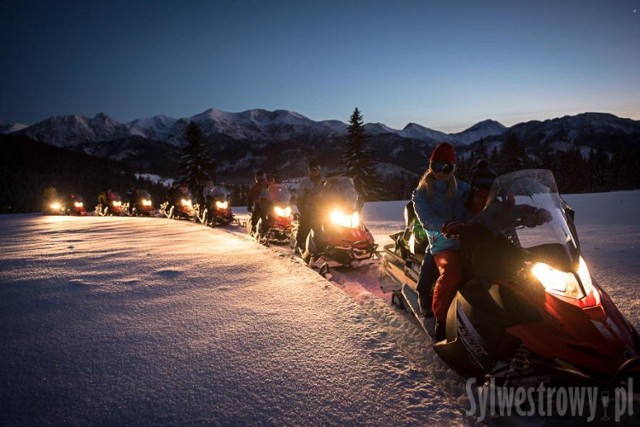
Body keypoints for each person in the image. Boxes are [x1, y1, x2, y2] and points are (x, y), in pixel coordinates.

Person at [412, 142, 471, 341]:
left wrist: (515, 209)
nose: (441, 172)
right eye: (437, 166)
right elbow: (426, 218)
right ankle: (442, 321)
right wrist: (445, 225)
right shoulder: (421, 193)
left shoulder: (462, 189)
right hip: (441, 243)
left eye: (447, 168)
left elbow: (483, 202)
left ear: (453, 168)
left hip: (468, 242)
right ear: (431, 166)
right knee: (450, 274)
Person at [295, 161, 325, 251]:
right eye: (312, 169)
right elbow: (299, 196)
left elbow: (332, 191)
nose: (314, 171)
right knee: (305, 223)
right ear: (309, 171)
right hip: (309, 209)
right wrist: (302, 209)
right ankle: (300, 242)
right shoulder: (305, 182)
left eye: (316, 169)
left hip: (325, 209)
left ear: (319, 170)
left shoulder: (324, 181)